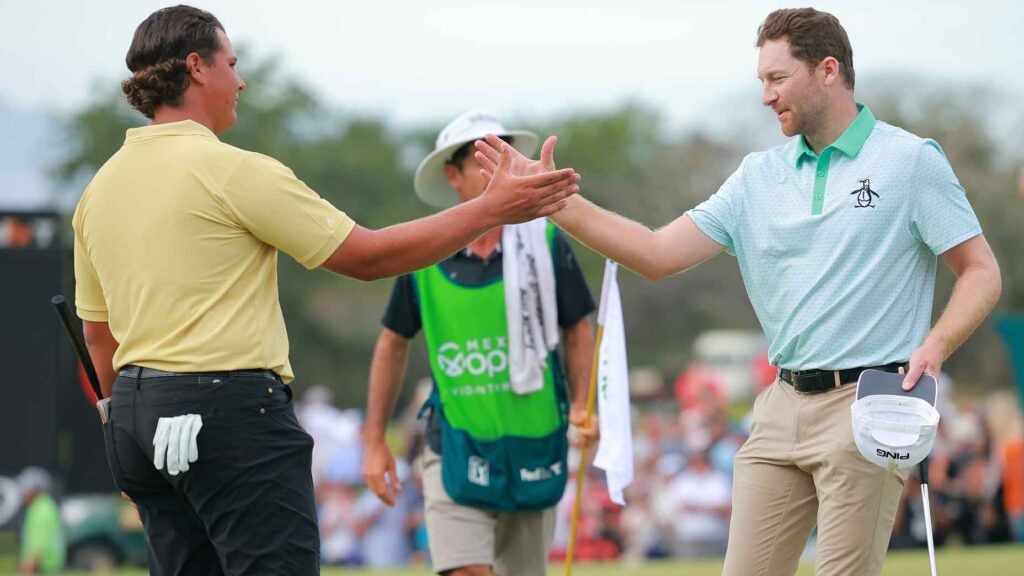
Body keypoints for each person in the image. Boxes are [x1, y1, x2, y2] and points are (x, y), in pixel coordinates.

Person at [474, 8, 1001, 575]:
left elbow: (981, 271)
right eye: (762, 82)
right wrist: (555, 200)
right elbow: (655, 253)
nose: (766, 96)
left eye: (777, 79)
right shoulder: (756, 177)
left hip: (868, 403)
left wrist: (939, 342)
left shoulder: (910, 161)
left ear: (828, 70)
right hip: (779, 408)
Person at [72, 6, 579, 576]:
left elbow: (98, 337)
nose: (240, 81)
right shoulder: (232, 170)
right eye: (232, 64)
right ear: (196, 67)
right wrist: (492, 209)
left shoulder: (99, 188)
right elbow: (368, 257)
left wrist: (129, 427)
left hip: (136, 422)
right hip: (229, 413)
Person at [362, 109, 598, 576]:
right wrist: (373, 439)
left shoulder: (548, 241)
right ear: (452, 174)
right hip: (454, 443)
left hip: (534, 439)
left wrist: (583, 405)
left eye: (504, 156)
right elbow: (392, 343)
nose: (498, 170)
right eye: (481, 160)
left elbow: (578, 328)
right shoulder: (425, 252)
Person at [17, 468, 66, 575]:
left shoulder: (41, 510)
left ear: (35, 490)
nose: (22, 492)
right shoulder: (44, 505)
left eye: (25, 488)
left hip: (43, 569)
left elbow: (39, 548)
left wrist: (26, 571)